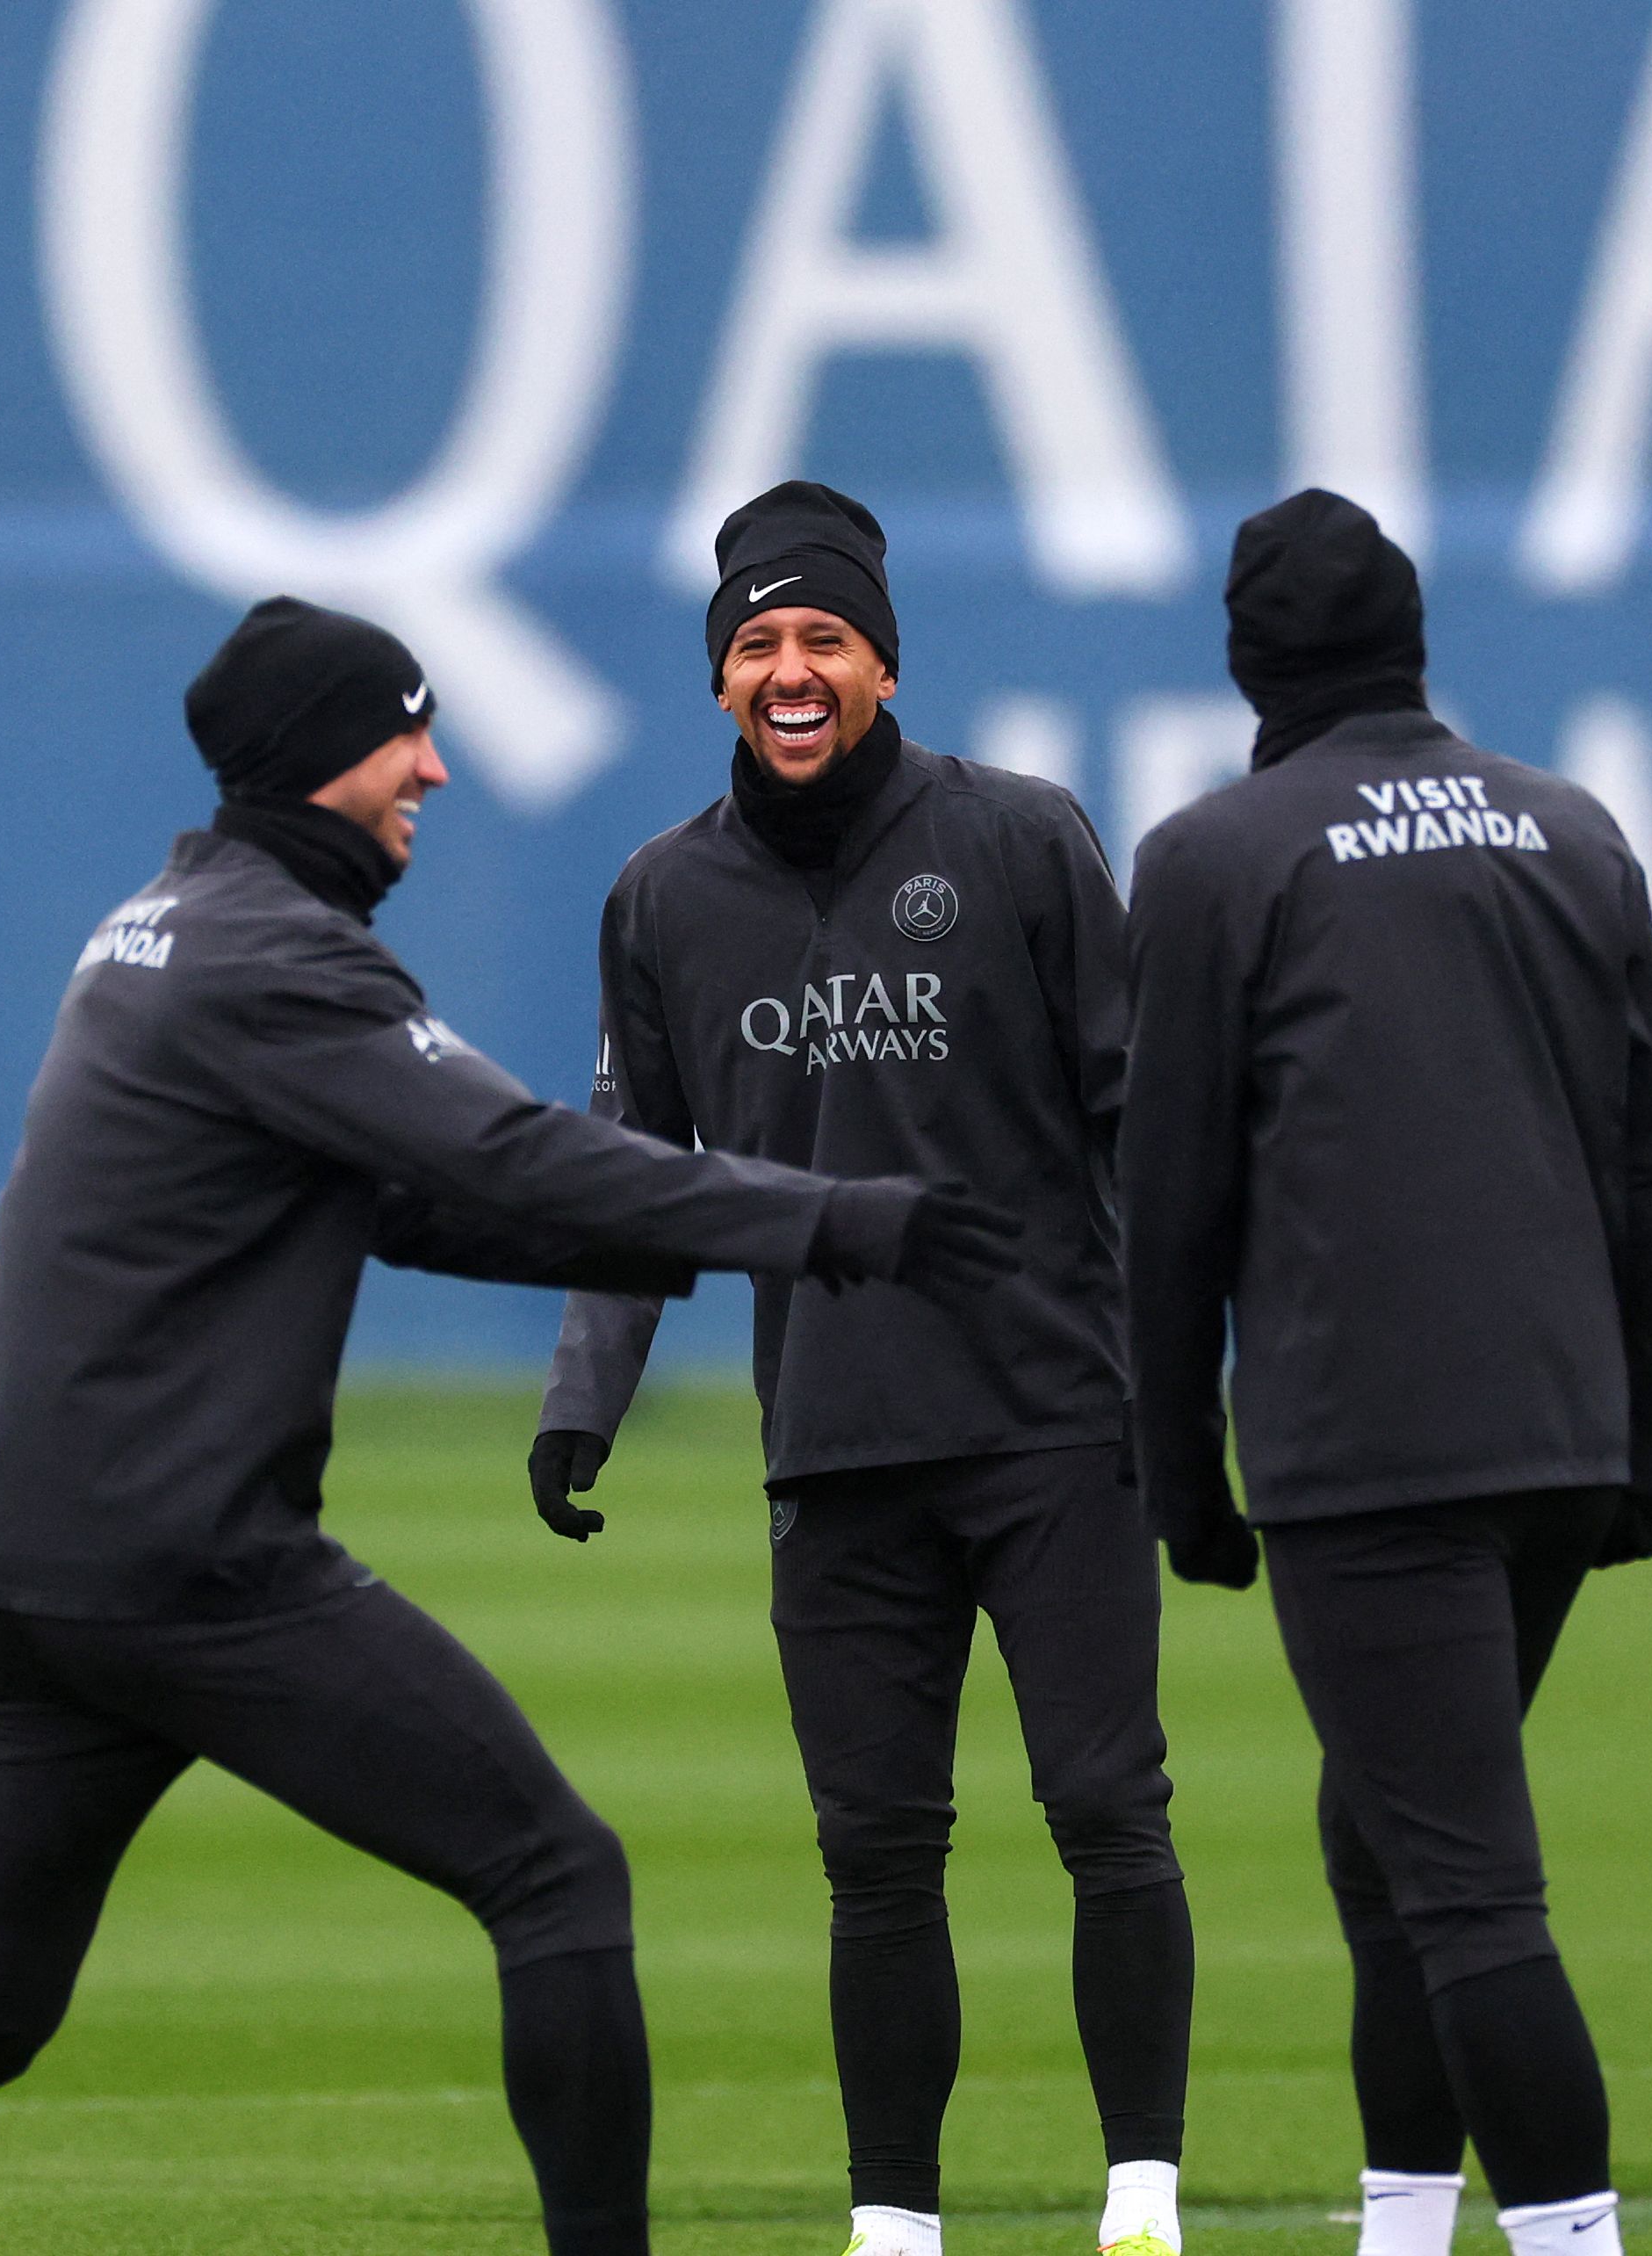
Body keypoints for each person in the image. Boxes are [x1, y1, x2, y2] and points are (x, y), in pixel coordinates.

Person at [0, 597, 1021, 2256]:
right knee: (558, 1878)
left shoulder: (165, 922)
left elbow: (406, 1206)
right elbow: (504, 1155)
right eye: (402, 735)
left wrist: (697, 1249)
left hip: (32, 1563)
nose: (433, 764)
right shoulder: (278, 956)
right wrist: (832, 1220)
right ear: (315, 761)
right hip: (184, 1563)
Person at [530, 481, 1191, 2256]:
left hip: (1053, 1423)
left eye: (823, 638)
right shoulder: (664, 896)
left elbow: (1139, 1128)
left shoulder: (1025, 840)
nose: (791, 669)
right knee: (877, 1856)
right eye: (757, 645)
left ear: (884, 668)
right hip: (832, 1444)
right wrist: (584, 1395)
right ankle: (896, 2225)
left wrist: (1176, 1376)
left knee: (1104, 1807)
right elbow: (632, 1171)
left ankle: (1143, 2195)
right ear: (721, 685)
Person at [1118, 492, 1652, 2256]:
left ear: (1244, 659)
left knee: (1459, 1884)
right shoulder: (1570, 830)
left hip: (1367, 1447)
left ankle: (1573, 2243)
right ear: (1415, 637)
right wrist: (1644, 1454)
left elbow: (1175, 1201)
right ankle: (1400, 2228)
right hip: (1555, 1427)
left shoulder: (1218, 858)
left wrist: (1179, 1476)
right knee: (1384, 1840)